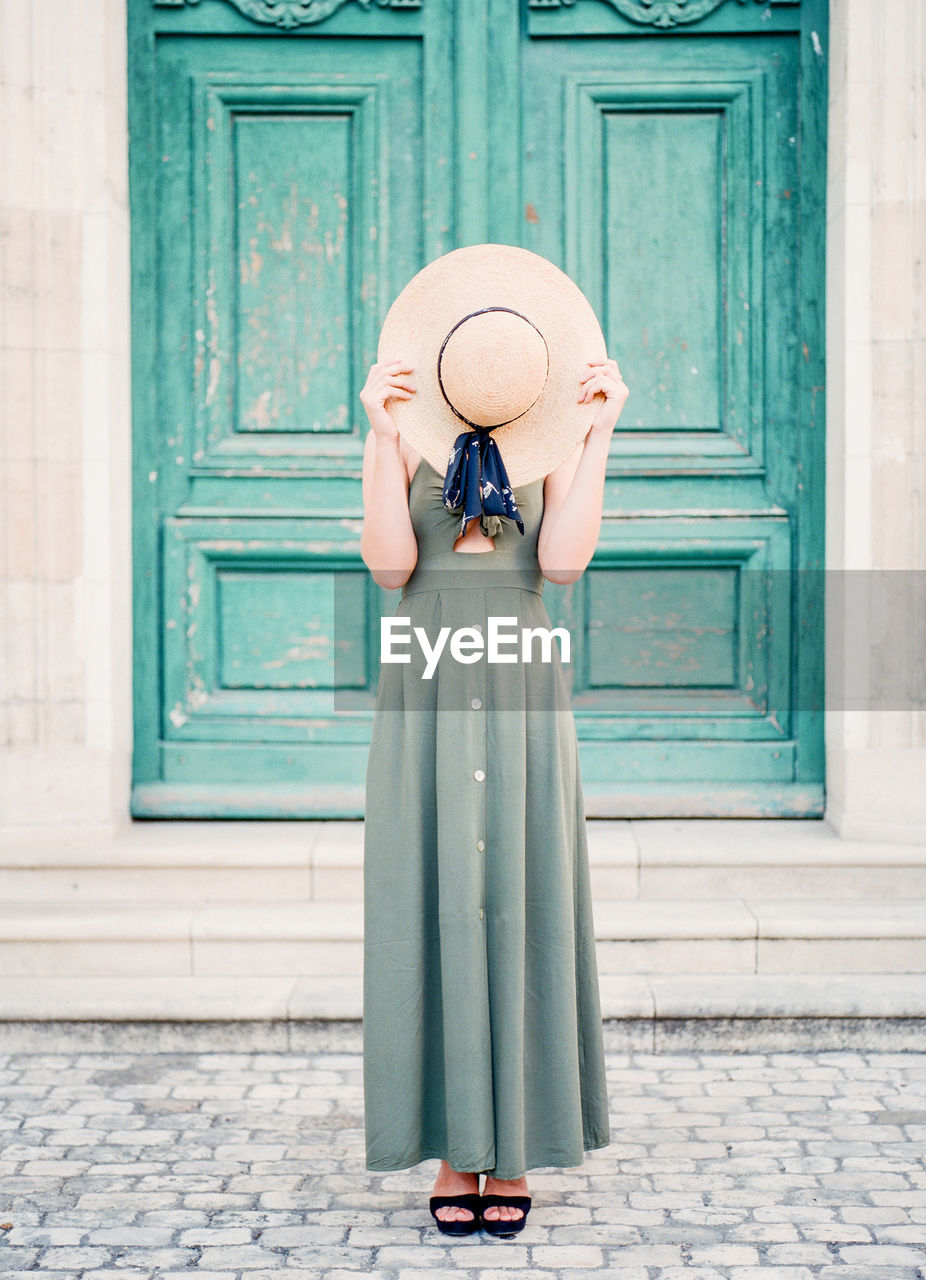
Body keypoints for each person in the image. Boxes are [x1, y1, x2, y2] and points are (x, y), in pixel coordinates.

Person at [359, 244, 629, 1239]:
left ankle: (508, 1148)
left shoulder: (546, 450)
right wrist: (381, 440)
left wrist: (597, 436)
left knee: (519, 895)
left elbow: (560, 562)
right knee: (431, 896)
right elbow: (391, 564)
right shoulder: (404, 439)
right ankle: (451, 1150)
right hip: (428, 675)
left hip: (519, 676)